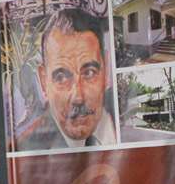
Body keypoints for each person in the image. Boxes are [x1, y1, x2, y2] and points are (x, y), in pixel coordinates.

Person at [16, 8, 115, 150]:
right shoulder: (24, 149)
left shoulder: (121, 124)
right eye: (61, 77)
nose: (78, 97)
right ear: (44, 82)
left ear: (106, 70)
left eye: (89, 73)